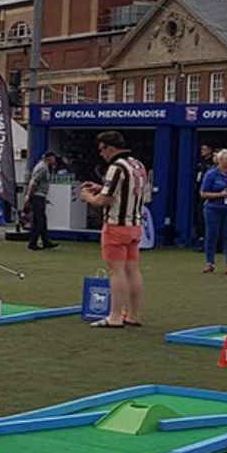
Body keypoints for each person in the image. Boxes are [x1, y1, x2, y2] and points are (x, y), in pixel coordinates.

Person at [78, 131, 148, 328]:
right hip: (135, 225)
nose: (101, 154)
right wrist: (101, 187)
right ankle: (134, 315)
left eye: (101, 149)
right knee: (133, 270)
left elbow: (104, 200)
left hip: (116, 225)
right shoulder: (137, 165)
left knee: (116, 271)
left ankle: (115, 316)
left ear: (110, 148)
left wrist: (87, 197)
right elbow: (126, 190)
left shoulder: (116, 167)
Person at [200, 148, 227, 275]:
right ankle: (210, 263)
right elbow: (203, 193)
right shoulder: (211, 174)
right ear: (220, 160)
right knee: (211, 236)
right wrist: (221, 194)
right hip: (213, 209)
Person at [22, 150, 59, 250]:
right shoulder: (42, 168)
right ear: (49, 158)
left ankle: (45, 241)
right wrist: (29, 196)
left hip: (40, 196)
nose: (55, 160)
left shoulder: (44, 166)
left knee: (41, 219)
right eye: (54, 158)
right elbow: (33, 182)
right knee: (39, 220)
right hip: (37, 196)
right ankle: (33, 243)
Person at [192, 142, 216, 247]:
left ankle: (211, 243)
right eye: (201, 149)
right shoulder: (200, 162)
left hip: (210, 194)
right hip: (200, 194)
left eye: (204, 149)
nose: (202, 151)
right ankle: (202, 241)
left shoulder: (213, 165)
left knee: (208, 219)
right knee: (200, 218)